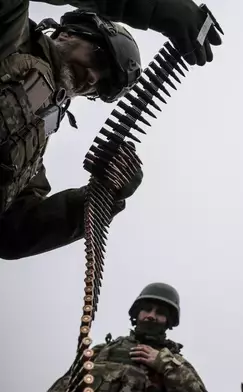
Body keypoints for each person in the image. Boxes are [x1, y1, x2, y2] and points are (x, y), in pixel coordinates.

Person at [0, 0, 223, 260]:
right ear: (66, 33)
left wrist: (100, 195)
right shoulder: (10, 33)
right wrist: (156, 7)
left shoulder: (32, 149)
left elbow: (13, 232)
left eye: (103, 86)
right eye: (97, 56)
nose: (93, 79)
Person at [48, 282, 207, 392]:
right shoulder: (102, 351)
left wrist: (164, 363)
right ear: (137, 313)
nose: (151, 316)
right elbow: (65, 385)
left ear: (168, 321)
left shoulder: (176, 362)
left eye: (160, 313)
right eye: (147, 310)